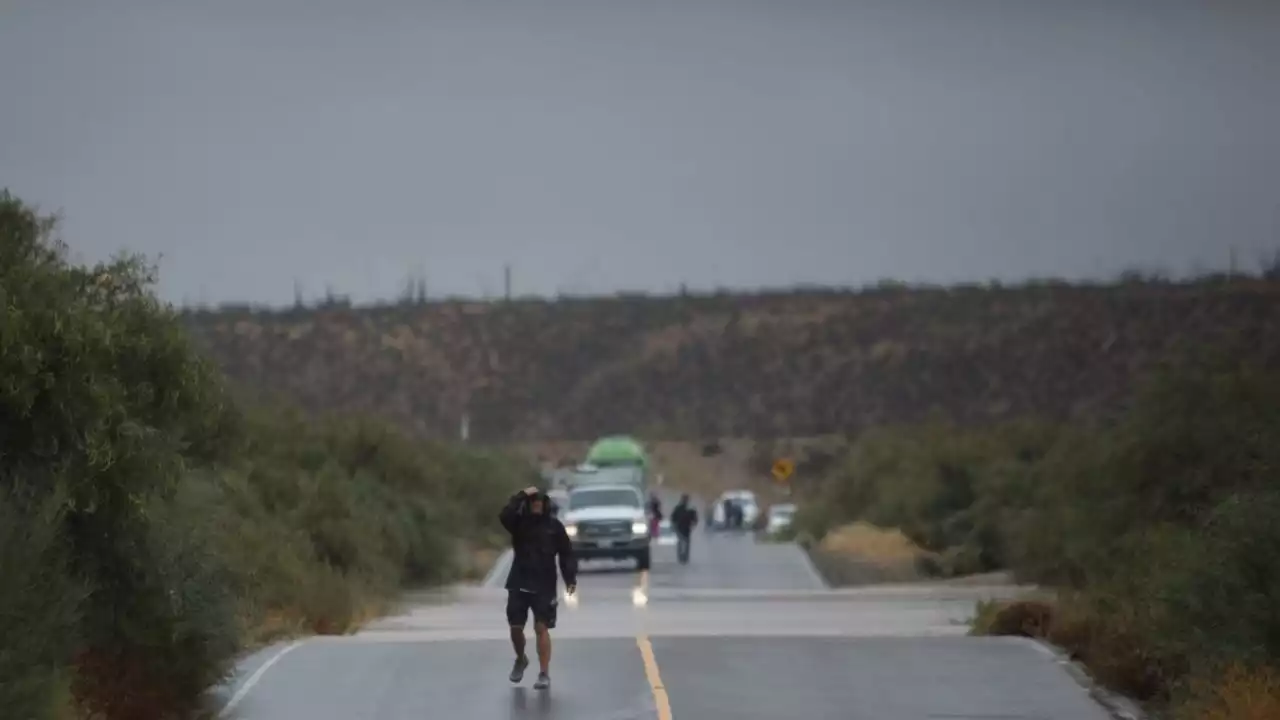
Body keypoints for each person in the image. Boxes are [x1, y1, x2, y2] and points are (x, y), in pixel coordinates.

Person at [499, 486, 577, 690]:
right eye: (532, 501)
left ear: (545, 505)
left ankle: (544, 673)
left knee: (541, 628)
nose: (536, 504)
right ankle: (520, 658)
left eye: (539, 501)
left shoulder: (554, 527)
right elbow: (504, 515)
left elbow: (566, 553)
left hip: (544, 584)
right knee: (516, 628)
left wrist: (570, 578)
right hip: (519, 582)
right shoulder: (518, 524)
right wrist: (521, 494)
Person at [670, 494, 698, 563]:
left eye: (686, 499)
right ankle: (682, 556)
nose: (685, 501)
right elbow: (673, 517)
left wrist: (693, 524)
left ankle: (684, 557)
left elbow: (695, 518)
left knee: (685, 542)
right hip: (680, 527)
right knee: (682, 542)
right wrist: (673, 525)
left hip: (686, 528)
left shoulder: (690, 509)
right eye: (684, 499)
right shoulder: (679, 508)